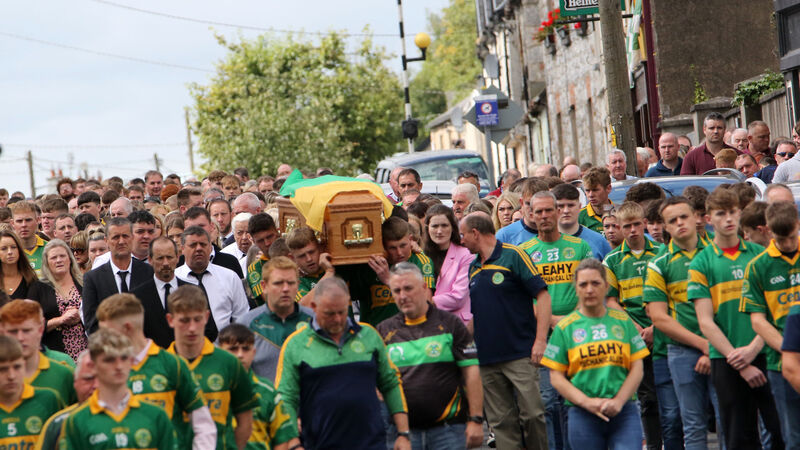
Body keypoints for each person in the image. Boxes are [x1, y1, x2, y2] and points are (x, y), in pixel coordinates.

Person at [687, 187, 783, 449]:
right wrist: (739, 361)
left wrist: (753, 349)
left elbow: (773, 310)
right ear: (708, 219)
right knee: (738, 437)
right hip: (726, 359)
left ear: (740, 214)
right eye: (720, 213)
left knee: (781, 431)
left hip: (767, 354)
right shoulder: (701, 263)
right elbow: (705, 321)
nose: (728, 219)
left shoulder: (760, 255)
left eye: (732, 212)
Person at [275, 277, 410, 450]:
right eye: (329, 314)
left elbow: (390, 382)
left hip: (371, 443)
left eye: (342, 311)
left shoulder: (369, 335)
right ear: (314, 307)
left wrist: (403, 433)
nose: (338, 319)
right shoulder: (296, 344)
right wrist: (293, 444)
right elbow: (286, 397)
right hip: (319, 444)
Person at [459, 212, 551, 449]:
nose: (461, 241)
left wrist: (541, 341)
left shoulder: (514, 255)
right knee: (501, 424)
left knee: (532, 415)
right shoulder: (472, 267)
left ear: (475, 233)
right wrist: (460, 343)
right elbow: (477, 314)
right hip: (487, 359)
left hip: (520, 354)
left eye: (463, 235)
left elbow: (542, 296)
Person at [541, 258, 648, 449]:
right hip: (582, 414)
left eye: (595, 283)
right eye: (583, 284)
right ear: (576, 287)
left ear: (606, 287)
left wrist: (619, 401)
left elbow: (637, 367)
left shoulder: (623, 321)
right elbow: (556, 377)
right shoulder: (564, 328)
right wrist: (587, 402)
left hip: (624, 411)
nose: (589, 289)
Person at [377, 263, 483, 449]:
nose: (403, 296)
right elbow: (376, 382)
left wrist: (476, 419)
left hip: (448, 431)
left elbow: (471, 372)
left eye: (408, 288)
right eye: (397, 290)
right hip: (404, 435)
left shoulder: (451, 324)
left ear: (424, 288)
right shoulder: (383, 331)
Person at [643, 197, 721, 450]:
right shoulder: (659, 264)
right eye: (672, 220)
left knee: (729, 420)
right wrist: (703, 345)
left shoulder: (717, 254)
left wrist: (714, 347)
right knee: (692, 426)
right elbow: (658, 317)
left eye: (684, 217)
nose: (680, 223)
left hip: (724, 347)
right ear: (665, 227)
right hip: (683, 352)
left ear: (696, 218)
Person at [96, 293, 216, 449]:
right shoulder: (106, 369)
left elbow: (203, 425)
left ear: (127, 328)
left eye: (108, 333)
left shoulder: (172, 363)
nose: (103, 339)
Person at [601, 201, 668, 450]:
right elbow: (610, 301)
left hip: (662, 330)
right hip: (633, 334)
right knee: (646, 397)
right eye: (626, 226)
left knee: (668, 395)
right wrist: (637, 330)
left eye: (637, 225)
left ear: (645, 224)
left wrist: (655, 326)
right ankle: (652, 444)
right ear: (619, 227)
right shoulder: (612, 260)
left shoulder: (661, 251)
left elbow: (670, 294)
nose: (632, 231)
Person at [167, 285, 256, 449]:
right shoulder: (161, 365)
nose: (192, 328)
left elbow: (245, 421)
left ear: (207, 317)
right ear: (170, 320)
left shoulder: (229, 363)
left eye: (197, 319)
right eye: (184, 320)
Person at [741, 200, 800, 449]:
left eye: (791, 237)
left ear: (798, 226)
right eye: (780, 239)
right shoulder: (758, 267)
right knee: (793, 437)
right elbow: (758, 320)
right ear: (768, 231)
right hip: (780, 363)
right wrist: (790, 349)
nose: (787, 244)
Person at [58, 328, 178, 449]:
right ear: (94, 365)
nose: (119, 366)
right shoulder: (76, 421)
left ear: (132, 361)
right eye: (110, 360)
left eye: (124, 358)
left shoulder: (156, 415)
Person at [218, 324, 296, 450]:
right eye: (233, 349)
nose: (240, 355)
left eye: (245, 349)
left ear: (254, 352)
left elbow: (282, 438)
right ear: (220, 352)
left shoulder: (268, 391)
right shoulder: (208, 389)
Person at [235, 257, 314, 381]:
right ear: (264, 286)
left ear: (298, 285)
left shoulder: (315, 321)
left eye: (291, 283)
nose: (285, 289)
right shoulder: (246, 325)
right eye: (278, 283)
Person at [175, 226, 250, 341]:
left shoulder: (229, 277)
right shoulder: (174, 279)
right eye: (193, 245)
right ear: (183, 249)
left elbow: (242, 317)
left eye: (203, 244)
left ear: (210, 247)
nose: (199, 248)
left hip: (225, 348)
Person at [82, 217, 154, 333]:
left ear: (132, 237)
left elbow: (153, 315)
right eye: (116, 237)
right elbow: (91, 323)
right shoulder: (93, 278)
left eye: (125, 236)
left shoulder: (149, 272)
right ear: (106, 241)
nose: (121, 241)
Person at [0, 300, 76, 405]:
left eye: (26, 331)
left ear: (40, 329)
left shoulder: (64, 371)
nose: (20, 338)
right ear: (2, 332)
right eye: (13, 331)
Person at [0, 335, 62, 448]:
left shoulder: (48, 400)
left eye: (17, 367)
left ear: (24, 365)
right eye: (3, 369)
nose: (11, 376)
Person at [130, 237, 187, 347]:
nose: (165, 263)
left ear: (177, 258)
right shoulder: (136, 297)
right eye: (160, 258)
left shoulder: (191, 292)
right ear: (150, 260)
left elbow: (208, 329)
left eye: (169, 257)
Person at [35, 350, 98, 450]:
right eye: (88, 379)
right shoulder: (57, 425)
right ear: (75, 381)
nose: (96, 385)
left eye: (103, 379)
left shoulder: (129, 418)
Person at [423, 205, 474, 325]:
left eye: (444, 225)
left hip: (457, 324)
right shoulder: (421, 256)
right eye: (435, 226)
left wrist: (424, 303)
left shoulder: (466, 255)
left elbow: (458, 297)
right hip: (427, 323)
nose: (439, 231)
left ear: (453, 227)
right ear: (427, 228)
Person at [36, 239, 87, 359]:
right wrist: (60, 320)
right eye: (54, 258)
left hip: (87, 353)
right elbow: (32, 324)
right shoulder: (38, 288)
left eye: (62, 256)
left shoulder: (84, 283)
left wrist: (81, 315)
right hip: (55, 355)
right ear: (46, 262)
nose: (59, 260)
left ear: (70, 259)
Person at [551, 183, 612, 261]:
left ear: (579, 207)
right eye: (561, 206)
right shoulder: (543, 243)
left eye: (570, 205)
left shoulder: (599, 241)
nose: (566, 211)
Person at [183, 206, 244, 278]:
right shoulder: (177, 264)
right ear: (184, 230)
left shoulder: (230, 262)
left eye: (201, 226)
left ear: (212, 226)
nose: (197, 231)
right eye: (192, 228)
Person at [284, 227, 335, 306]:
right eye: (302, 256)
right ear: (292, 258)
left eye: (311, 252)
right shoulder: (294, 282)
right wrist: (329, 273)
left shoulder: (338, 266)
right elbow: (306, 307)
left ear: (320, 248)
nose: (309, 259)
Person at [496, 178, 548, 245]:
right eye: (528, 204)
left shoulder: (558, 231)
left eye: (538, 204)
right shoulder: (505, 236)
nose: (533, 209)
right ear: (521, 203)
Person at [246, 213, 280, 305]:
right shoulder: (255, 269)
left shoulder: (293, 256)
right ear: (253, 241)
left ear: (278, 232)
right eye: (261, 241)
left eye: (269, 237)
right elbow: (270, 299)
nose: (267, 243)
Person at [0, 229, 41, 300]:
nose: (10, 252)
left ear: (19, 250)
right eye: (4, 249)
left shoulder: (30, 279)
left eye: (13, 247)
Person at [10, 201, 46, 272]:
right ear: (12, 223)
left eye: (28, 220)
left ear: (38, 220)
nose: (24, 225)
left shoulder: (50, 248)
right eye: (19, 221)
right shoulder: (6, 252)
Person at [579, 167, 613, 234]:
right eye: (587, 190)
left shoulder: (620, 213)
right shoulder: (579, 217)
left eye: (595, 190)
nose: (591, 195)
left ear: (608, 188)